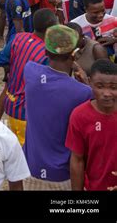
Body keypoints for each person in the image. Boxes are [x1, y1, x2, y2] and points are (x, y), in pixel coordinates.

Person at [21, 25, 92, 190]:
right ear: (74, 55)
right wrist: (86, 82)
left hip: (30, 169)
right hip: (62, 176)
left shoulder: (30, 71)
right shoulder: (82, 92)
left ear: (46, 52)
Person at [0, 9, 58, 144]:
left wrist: (12, 71)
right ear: (50, 29)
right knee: (25, 157)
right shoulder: (47, 54)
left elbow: (0, 59)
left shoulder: (18, 38)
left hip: (10, 106)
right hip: (27, 114)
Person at [66, 59, 117, 191]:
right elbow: (77, 160)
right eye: (100, 86)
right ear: (90, 82)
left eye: (113, 87)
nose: (107, 93)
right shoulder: (79, 116)